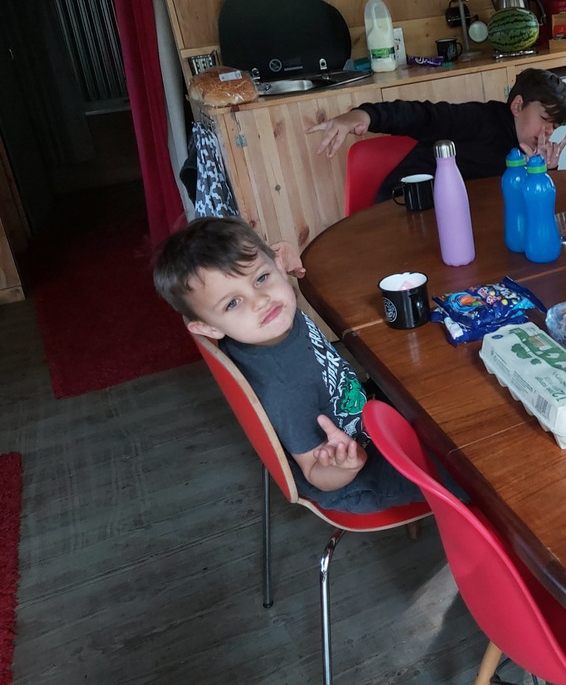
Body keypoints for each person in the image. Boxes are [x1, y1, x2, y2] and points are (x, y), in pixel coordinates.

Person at [152, 217, 423, 514]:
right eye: (232, 303)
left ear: (277, 265)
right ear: (209, 328)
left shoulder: (261, 325)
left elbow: (259, 267)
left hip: (365, 413)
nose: (261, 300)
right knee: (456, 468)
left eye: (260, 279)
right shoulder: (284, 390)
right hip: (356, 477)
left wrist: (280, 258)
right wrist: (347, 465)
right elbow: (314, 473)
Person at [307, 67, 566, 202]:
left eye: (554, 127)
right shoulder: (479, 119)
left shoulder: (529, 153)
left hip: (460, 218)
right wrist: (364, 115)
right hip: (406, 206)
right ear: (517, 106)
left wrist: (544, 171)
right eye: (545, 120)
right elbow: (422, 116)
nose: (548, 132)